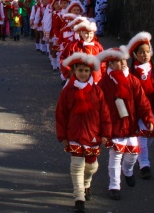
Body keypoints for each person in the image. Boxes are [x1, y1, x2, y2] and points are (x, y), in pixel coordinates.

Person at [97, 46, 154, 201]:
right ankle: (114, 186)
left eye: (123, 60)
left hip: (130, 125)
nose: (122, 63)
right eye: (117, 61)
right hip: (113, 126)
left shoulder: (132, 80)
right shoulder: (104, 83)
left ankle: (127, 171)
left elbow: (142, 102)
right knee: (115, 155)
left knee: (133, 154)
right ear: (110, 64)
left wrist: (148, 117)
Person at [56, 52, 111, 213]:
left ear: (90, 72)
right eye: (80, 70)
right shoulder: (68, 91)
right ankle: (79, 197)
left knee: (92, 166)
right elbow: (61, 114)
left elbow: (105, 114)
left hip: (93, 135)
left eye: (86, 71)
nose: (83, 74)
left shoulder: (97, 91)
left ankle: (87, 183)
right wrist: (63, 135)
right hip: (74, 134)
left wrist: (106, 134)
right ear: (74, 71)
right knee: (76, 166)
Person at [127, 31, 154, 179]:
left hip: (152, 110)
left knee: (150, 137)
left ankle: (141, 157)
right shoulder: (132, 73)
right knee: (142, 138)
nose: (145, 55)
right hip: (139, 112)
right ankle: (144, 164)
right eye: (141, 52)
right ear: (135, 55)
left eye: (147, 52)